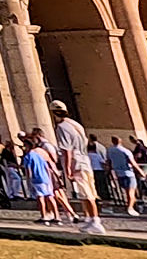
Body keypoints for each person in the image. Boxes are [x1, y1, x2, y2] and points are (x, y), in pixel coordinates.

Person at [52, 100, 105, 233]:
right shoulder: (76, 125)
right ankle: (89, 219)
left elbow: (67, 150)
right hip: (84, 159)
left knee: (86, 193)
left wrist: (67, 168)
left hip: (76, 161)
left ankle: (95, 220)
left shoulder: (62, 127)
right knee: (88, 192)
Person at [24, 129, 62, 225]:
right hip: (45, 178)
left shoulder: (28, 156)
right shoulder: (40, 154)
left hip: (36, 179)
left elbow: (28, 170)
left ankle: (44, 216)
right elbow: (46, 166)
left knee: (40, 197)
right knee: (50, 197)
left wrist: (29, 182)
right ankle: (57, 216)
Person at [106, 136, 139, 216]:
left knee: (126, 191)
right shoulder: (125, 151)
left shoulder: (110, 150)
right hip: (128, 173)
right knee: (131, 192)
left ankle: (129, 205)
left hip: (118, 173)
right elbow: (132, 162)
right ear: (120, 141)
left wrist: (108, 170)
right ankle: (130, 208)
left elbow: (108, 161)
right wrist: (140, 171)